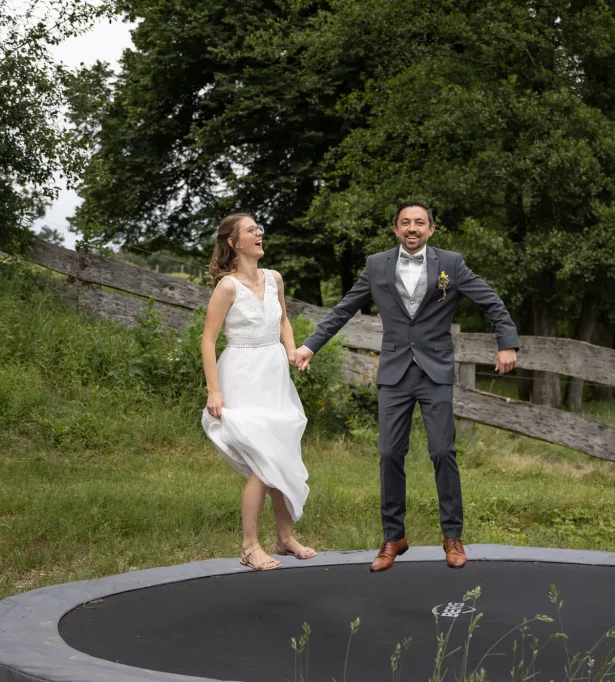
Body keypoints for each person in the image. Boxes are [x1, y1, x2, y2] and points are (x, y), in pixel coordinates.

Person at [294, 200, 518, 572]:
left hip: (435, 372)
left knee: (443, 452)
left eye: (419, 223)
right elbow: (344, 308)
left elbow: (492, 302)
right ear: (395, 229)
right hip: (395, 374)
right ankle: (393, 537)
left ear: (431, 229)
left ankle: (452, 537)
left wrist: (506, 342)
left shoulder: (451, 264)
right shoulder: (375, 264)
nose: (412, 228)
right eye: (405, 223)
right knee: (388, 454)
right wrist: (310, 344)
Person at [200, 213, 317, 571]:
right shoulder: (227, 287)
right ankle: (250, 545)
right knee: (261, 461)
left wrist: (293, 349)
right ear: (234, 242)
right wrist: (214, 391)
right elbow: (207, 339)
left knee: (279, 453)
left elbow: (282, 319)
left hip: (274, 375)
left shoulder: (274, 278)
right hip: (242, 376)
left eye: (259, 228)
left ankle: (284, 538)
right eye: (252, 230)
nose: (259, 232)